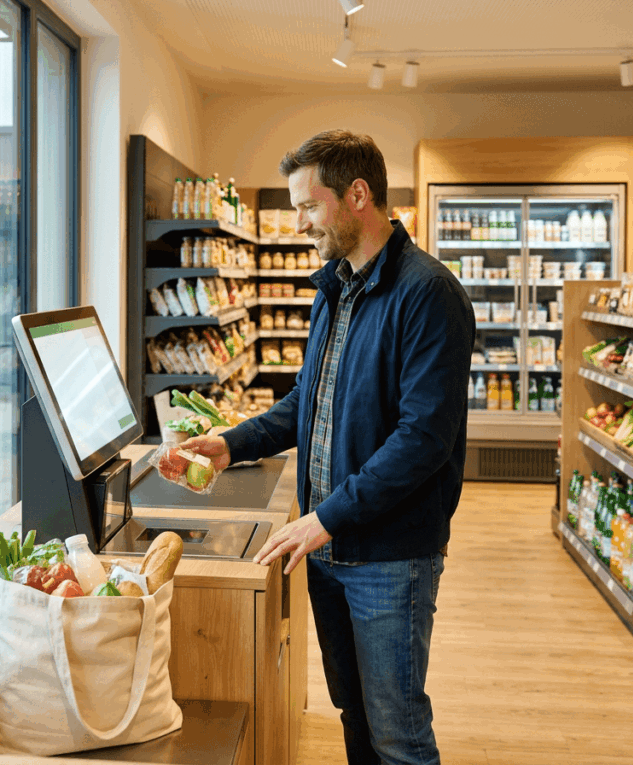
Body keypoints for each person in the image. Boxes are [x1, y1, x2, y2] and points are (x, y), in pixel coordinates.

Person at [181, 129, 474, 765]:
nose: (299, 224)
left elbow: (423, 440)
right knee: (354, 713)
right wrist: (231, 444)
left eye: (308, 207)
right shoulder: (335, 288)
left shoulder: (428, 294)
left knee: (398, 732)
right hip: (329, 547)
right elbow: (308, 403)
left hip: (389, 557)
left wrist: (324, 518)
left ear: (357, 196)